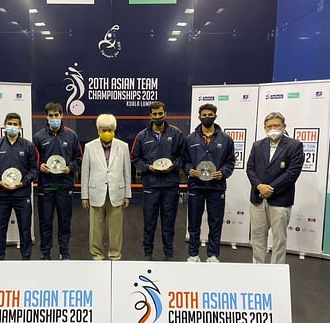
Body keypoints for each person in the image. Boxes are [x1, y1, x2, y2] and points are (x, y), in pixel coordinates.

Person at [247, 112, 304, 264]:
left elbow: (292, 173)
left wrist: (270, 188)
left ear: (284, 127)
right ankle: (258, 268)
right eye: (270, 126)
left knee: (279, 241)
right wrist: (259, 186)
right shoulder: (257, 145)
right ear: (265, 128)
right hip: (257, 200)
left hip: (280, 200)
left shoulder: (294, 145)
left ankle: (276, 272)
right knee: (257, 238)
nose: (273, 128)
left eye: (276, 125)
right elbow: (250, 169)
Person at [131, 101, 184, 261]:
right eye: (154, 114)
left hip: (170, 185)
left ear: (165, 114)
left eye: (160, 113)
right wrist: (148, 168)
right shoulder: (141, 136)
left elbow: (183, 157)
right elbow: (135, 159)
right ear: (150, 116)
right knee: (149, 222)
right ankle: (148, 254)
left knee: (169, 222)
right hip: (151, 185)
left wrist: (173, 166)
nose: (157, 117)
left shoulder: (176, 134)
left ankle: (169, 254)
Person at [184, 103, 236, 263]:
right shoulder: (190, 138)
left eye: (210, 114)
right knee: (193, 222)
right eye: (204, 114)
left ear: (215, 116)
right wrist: (189, 170)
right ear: (199, 116)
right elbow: (184, 161)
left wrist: (223, 173)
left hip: (216, 187)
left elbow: (231, 162)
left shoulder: (226, 139)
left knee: (215, 222)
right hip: (196, 186)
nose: (207, 117)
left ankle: (213, 255)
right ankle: (193, 254)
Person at [0, 113, 38, 260]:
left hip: (22, 195)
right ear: (5, 125)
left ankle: (26, 259)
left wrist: (23, 182)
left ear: (20, 127)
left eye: (15, 124)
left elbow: (34, 170)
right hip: (1, 196)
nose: (12, 127)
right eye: (10, 124)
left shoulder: (28, 146)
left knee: (25, 229)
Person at [33, 101, 82, 260]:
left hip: (64, 186)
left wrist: (70, 168)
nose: (53, 118)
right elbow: (33, 160)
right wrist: (40, 166)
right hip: (46, 187)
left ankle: (64, 252)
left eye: (56, 115)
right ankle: (45, 253)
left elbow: (79, 158)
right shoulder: (39, 137)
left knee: (64, 223)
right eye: (50, 115)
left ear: (61, 115)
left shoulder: (71, 135)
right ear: (46, 117)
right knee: (45, 223)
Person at [81, 114, 131, 260]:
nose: (106, 132)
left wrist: (127, 194)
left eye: (109, 129)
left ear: (114, 130)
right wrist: (85, 195)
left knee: (116, 229)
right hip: (95, 192)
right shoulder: (89, 147)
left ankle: (115, 255)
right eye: (103, 130)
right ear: (98, 130)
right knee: (95, 229)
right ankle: (97, 255)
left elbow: (127, 171)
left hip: (117, 193)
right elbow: (85, 172)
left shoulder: (123, 146)